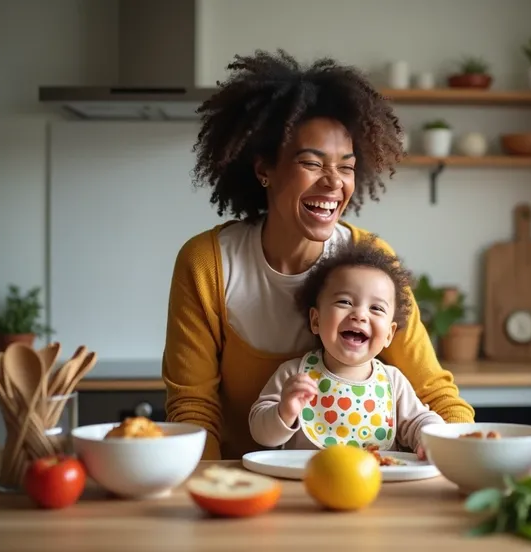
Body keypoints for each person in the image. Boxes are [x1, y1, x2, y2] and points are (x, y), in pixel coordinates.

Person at [162, 49, 475, 461]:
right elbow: (193, 409)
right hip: (249, 485)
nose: (333, 184)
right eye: (312, 163)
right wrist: (213, 487)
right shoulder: (206, 264)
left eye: (346, 167)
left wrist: (466, 459)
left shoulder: (370, 261)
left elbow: (432, 392)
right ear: (264, 170)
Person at [249, 238, 445, 459]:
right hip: (306, 485)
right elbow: (260, 433)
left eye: (376, 308)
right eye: (344, 302)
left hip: (378, 486)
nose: (359, 315)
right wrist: (284, 412)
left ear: (389, 334)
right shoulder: (294, 374)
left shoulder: (393, 382)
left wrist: (430, 437)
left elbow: (420, 420)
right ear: (316, 320)